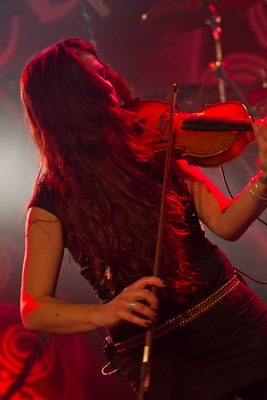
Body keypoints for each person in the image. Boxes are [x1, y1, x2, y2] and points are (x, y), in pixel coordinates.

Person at [20, 37, 267, 400]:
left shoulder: (150, 145)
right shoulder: (52, 200)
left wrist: (264, 178)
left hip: (234, 320)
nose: (111, 83)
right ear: (69, 100)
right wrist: (106, 313)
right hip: (163, 358)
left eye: (104, 72)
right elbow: (34, 307)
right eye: (97, 77)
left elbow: (226, 224)